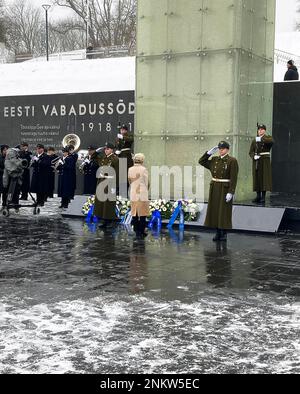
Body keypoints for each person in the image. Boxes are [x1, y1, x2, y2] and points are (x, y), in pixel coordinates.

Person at [199, 141, 239, 242]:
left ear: (227, 149)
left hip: (225, 188)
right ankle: (217, 232)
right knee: (215, 210)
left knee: (224, 211)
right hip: (215, 187)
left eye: (223, 149)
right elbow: (201, 161)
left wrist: (231, 192)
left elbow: (234, 178)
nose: (221, 150)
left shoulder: (232, 160)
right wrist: (209, 153)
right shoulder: (214, 159)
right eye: (220, 149)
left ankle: (224, 233)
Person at [93, 142, 119, 228]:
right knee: (101, 201)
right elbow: (93, 158)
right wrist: (96, 151)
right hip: (101, 180)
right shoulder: (103, 158)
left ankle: (108, 220)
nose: (106, 150)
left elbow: (118, 173)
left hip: (110, 182)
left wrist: (116, 185)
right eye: (105, 149)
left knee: (108, 202)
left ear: (112, 149)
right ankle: (103, 219)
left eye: (107, 149)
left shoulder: (115, 159)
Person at [249, 124, 273, 204]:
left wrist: (261, 139)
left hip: (264, 160)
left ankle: (263, 196)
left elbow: (271, 142)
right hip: (257, 160)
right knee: (257, 177)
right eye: (259, 129)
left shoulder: (268, 137)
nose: (260, 131)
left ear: (264, 130)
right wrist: (253, 156)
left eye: (262, 129)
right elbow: (251, 151)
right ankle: (258, 195)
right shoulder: (254, 140)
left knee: (264, 178)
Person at [128, 153, 149, 239]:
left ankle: (136, 230)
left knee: (135, 213)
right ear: (142, 160)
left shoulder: (130, 169)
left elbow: (129, 181)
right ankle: (142, 231)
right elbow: (147, 182)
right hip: (142, 193)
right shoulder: (144, 169)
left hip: (133, 192)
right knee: (142, 214)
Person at [115, 124, 134, 197]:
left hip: (126, 156)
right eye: (121, 130)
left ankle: (126, 192)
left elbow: (130, 140)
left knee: (126, 174)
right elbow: (117, 145)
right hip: (120, 156)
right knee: (120, 175)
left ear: (126, 130)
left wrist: (123, 137)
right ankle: (120, 191)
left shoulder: (129, 136)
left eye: (123, 130)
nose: (122, 131)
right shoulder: (118, 137)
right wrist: (117, 150)